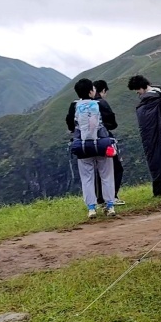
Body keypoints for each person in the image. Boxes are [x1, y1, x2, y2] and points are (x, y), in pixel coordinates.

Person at [66, 78, 117, 218]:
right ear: (91, 91)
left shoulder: (74, 105)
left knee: (87, 177)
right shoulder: (100, 103)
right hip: (102, 145)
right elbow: (112, 123)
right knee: (106, 176)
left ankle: (91, 209)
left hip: (83, 147)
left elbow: (70, 125)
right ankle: (110, 206)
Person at [92, 79, 124, 206]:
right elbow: (112, 123)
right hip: (105, 140)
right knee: (115, 168)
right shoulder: (101, 103)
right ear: (103, 90)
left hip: (90, 141)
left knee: (99, 170)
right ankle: (112, 196)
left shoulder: (86, 104)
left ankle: (100, 198)